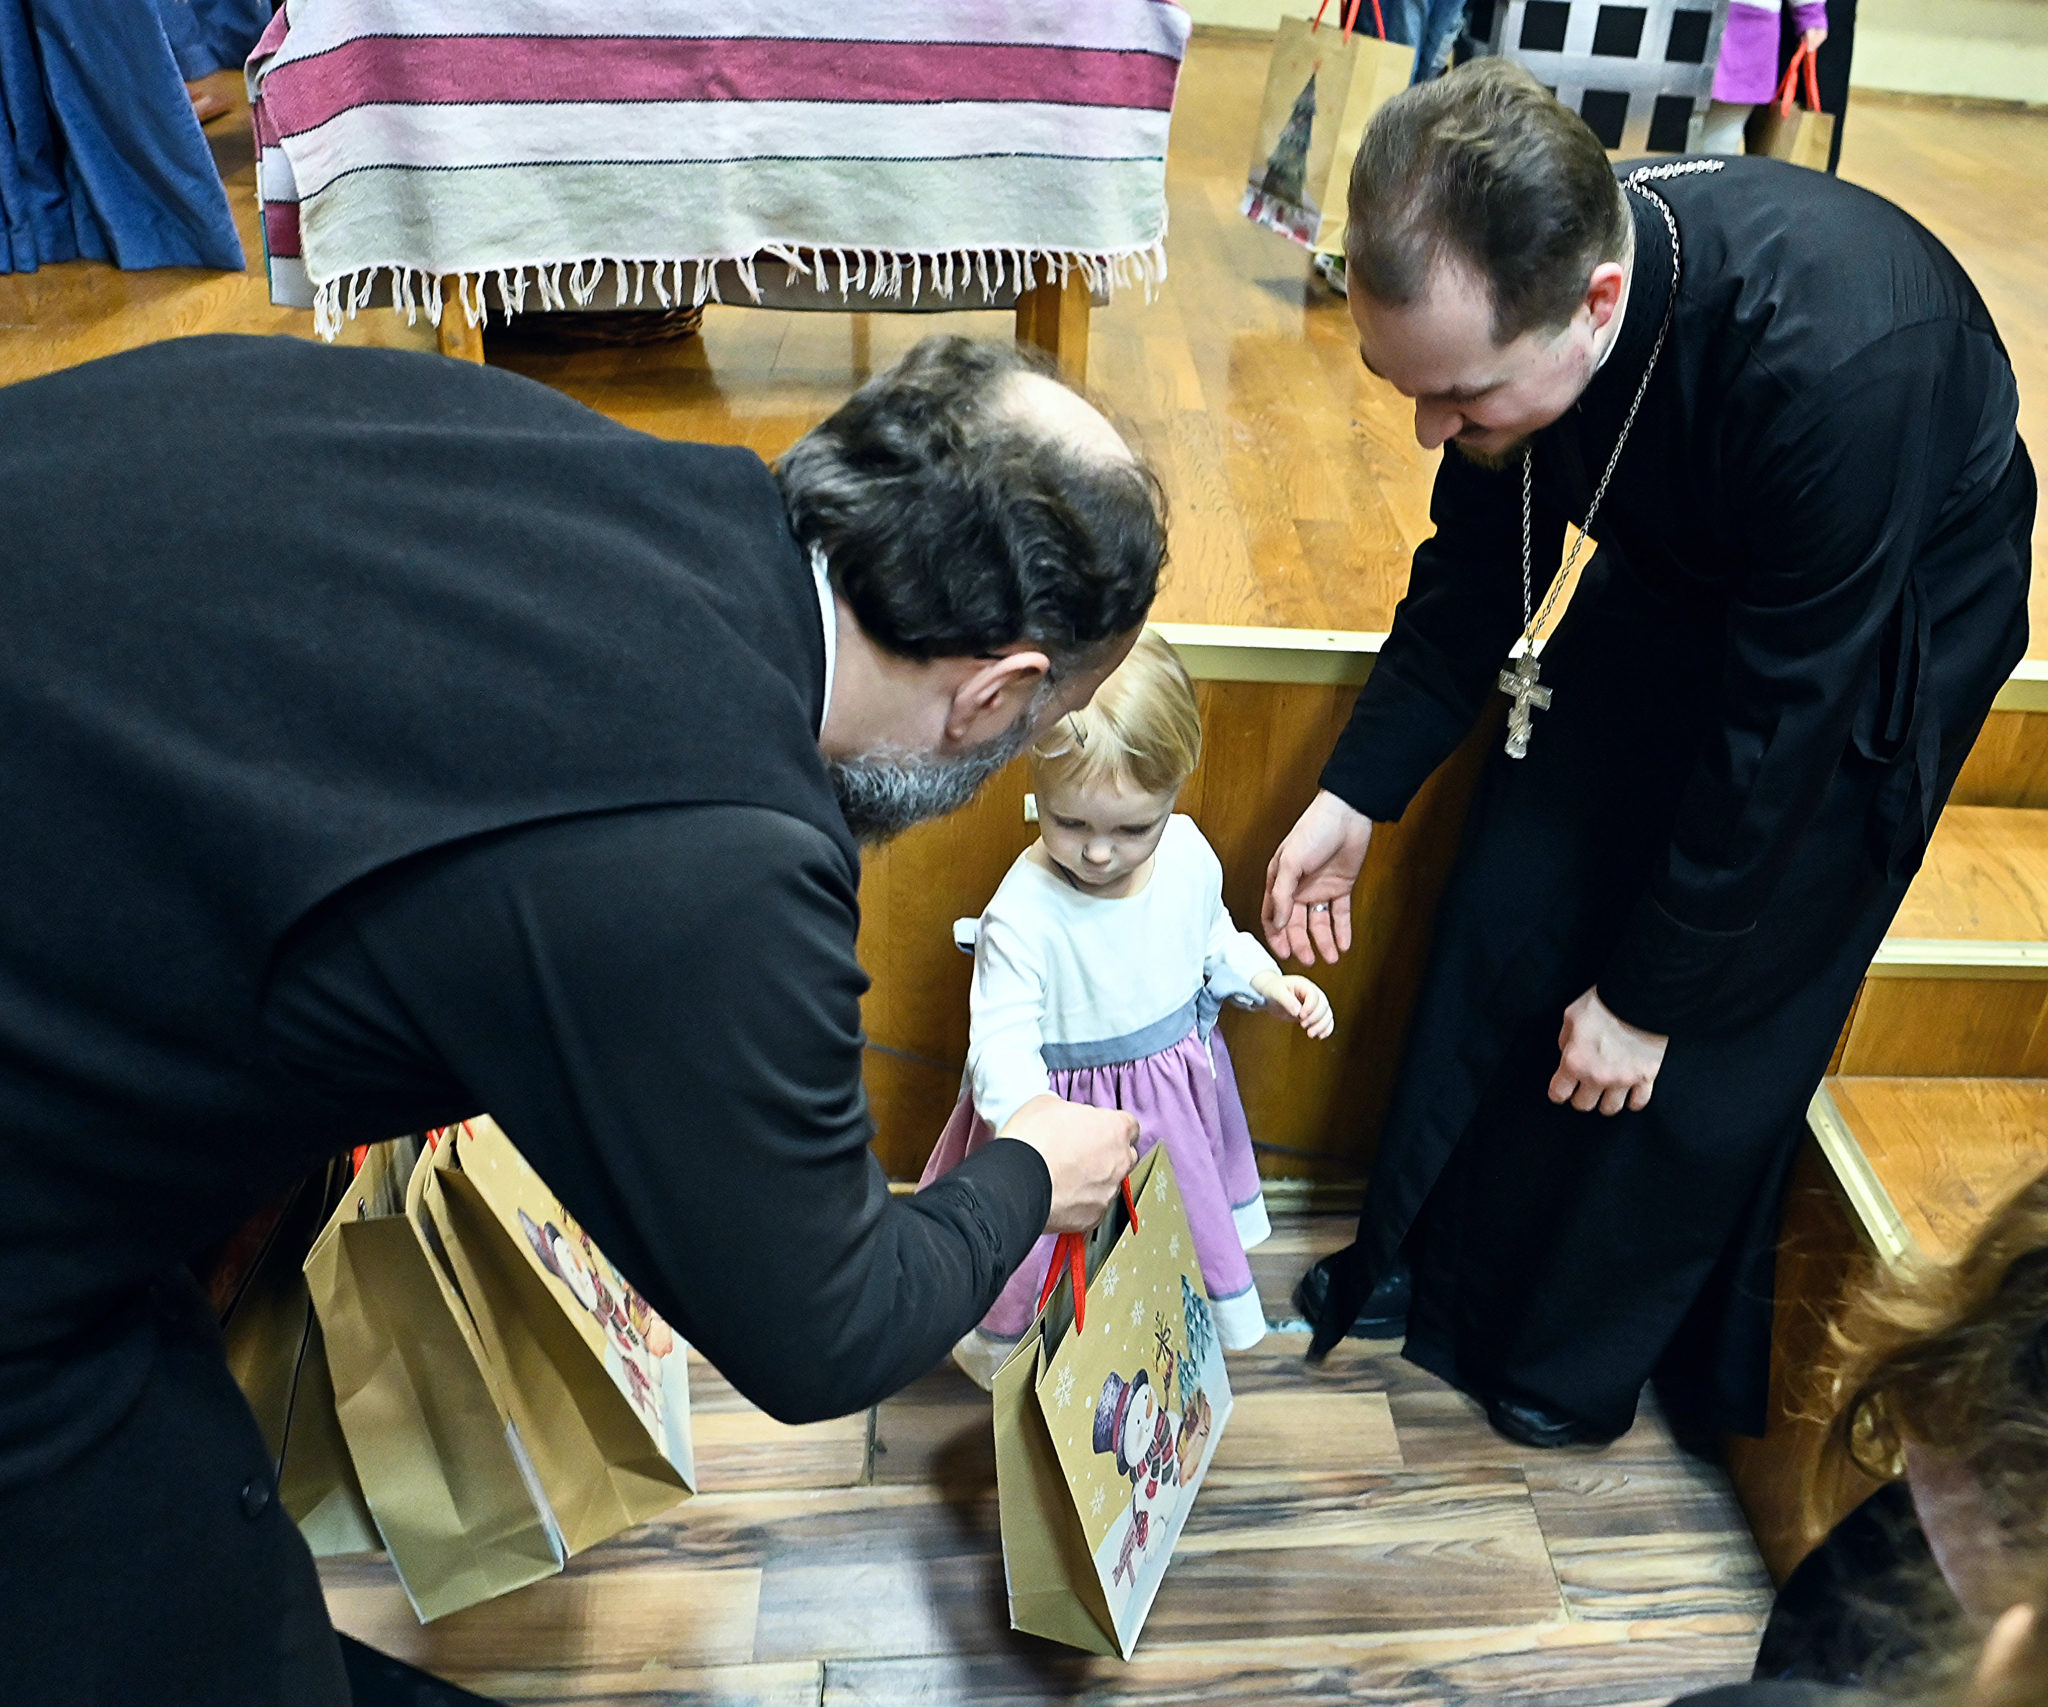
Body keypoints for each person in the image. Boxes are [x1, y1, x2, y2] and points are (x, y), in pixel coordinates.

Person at [0, 331, 1160, 1703]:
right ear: (998, 690)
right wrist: (1024, 1173)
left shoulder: (585, 471)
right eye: (1045, 726)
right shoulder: (717, 844)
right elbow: (828, 1329)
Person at [1264, 62, 2033, 1449]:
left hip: (1879, 615)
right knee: (1520, 873)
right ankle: (1425, 1258)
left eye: (1461, 396)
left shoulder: (1841, 366)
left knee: (1702, 998)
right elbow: (1473, 575)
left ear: (1596, 304)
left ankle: (1562, 1351)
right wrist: (1356, 790)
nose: (1433, 429)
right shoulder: (1525, 300)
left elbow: (1776, 742)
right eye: (1405, 388)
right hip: (1692, 545)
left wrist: (1648, 992)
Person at [922, 630, 1334, 1384]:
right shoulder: (1023, 914)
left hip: (1171, 1123)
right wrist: (1035, 1140)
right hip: (1061, 1126)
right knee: (1051, 1278)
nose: (1098, 853)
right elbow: (1000, 1047)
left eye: (1131, 828)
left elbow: (1212, 937)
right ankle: (1048, 1383)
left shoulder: (1187, 855)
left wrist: (1267, 982)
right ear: (1037, 789)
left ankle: (1146, 1366)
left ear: (1174, 791)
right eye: (1070, 823)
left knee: (1158, 1259)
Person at [1700, 0, 1829, 157]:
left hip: (1747, 24)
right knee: (1718, 139)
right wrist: (1810, 12)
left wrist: (1810, 12)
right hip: (1740, 21)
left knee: (1722, 138)